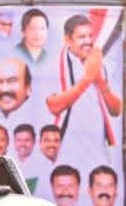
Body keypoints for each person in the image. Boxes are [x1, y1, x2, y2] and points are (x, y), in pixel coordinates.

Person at [45, 14, 122, 168]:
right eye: (82, 37)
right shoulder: (54, 65)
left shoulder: (100, 64)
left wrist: (102, 84)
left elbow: (116, 110)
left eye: (90, 36)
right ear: (67, 40)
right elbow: (54, 106)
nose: (88, 41)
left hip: (99, 153)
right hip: (66, 153)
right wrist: (87, 79)